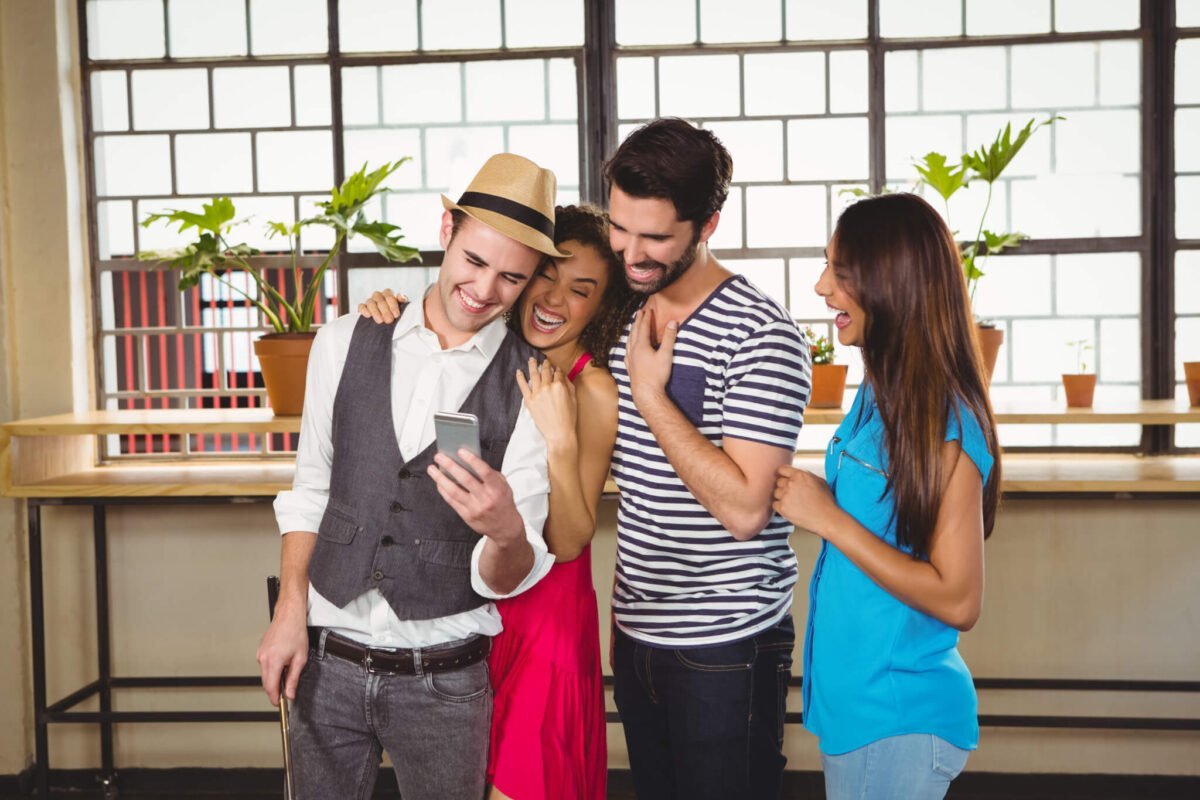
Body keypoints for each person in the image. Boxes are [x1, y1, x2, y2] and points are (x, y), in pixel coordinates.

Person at [256, 153, 566, 800]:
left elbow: (508, 573)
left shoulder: (531, 384)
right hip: (326, 661)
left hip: (445, 680)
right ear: (446, 229)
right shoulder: (344, 339)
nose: (484, 290)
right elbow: (311, 491)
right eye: (474, 261)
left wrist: (507, 531)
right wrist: (289, 612)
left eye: (511, 277)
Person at [358, 204, 637, 800]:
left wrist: (560, 440)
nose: (554, 299)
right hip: (470, 612)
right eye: (546, 276)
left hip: (544, 625)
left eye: (580, 290)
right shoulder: (484, 354)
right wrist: (391, 310)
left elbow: (570, 541)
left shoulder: (592, 387)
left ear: (602, 307)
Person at [605, 118, 811, 799]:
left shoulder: (761, 335)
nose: (631, 252)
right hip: (637, 629)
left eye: (655, 237)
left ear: (708, 225)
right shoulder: (623, 310)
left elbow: (747, 511)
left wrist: (651, 396)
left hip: (726, 640)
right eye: (619, 228)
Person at [772, 192, 1001, 800]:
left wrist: (829, 519)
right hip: (859, 711)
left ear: (892, 284)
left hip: (898, 716)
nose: (822, 287)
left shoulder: (947, 423)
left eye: (840, 272)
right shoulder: (878, 392)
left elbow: (959, 600)